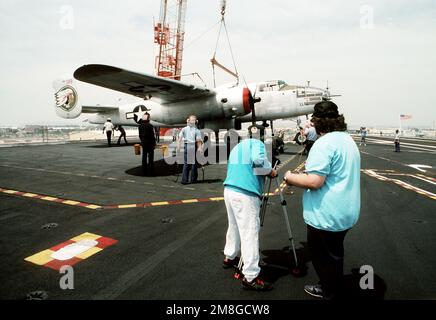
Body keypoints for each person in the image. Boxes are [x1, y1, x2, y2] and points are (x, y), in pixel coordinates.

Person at [283, 101, 361, 300]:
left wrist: (290, 177)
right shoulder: (347, 140)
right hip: (346, 212)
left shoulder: (323, 143)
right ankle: (332, 285)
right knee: (334, 253)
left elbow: (315, 181)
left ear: (317, 121)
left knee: (322, 257)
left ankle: (329, 291)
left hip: (327, 215)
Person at [222, 125, 278, 292]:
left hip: (229, 189)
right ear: (262, 136)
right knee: (249, 232)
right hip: (245, 193)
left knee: (233, 226)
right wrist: (271, 171)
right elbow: (259, 161)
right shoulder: (257, 144)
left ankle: (230, 256)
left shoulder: (239, 145)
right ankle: (251, 276)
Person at [177, 115, 203, 185]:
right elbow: (198, 141)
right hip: (193, 146)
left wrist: (178, 146)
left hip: (186, 146)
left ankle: (184, 180)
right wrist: (200, 148)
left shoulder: (184, 129)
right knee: (193, 164)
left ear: (188, 120)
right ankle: (193, 179)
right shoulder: (197, 130)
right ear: (196, 122)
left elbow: (179, 139)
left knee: (186, 164)